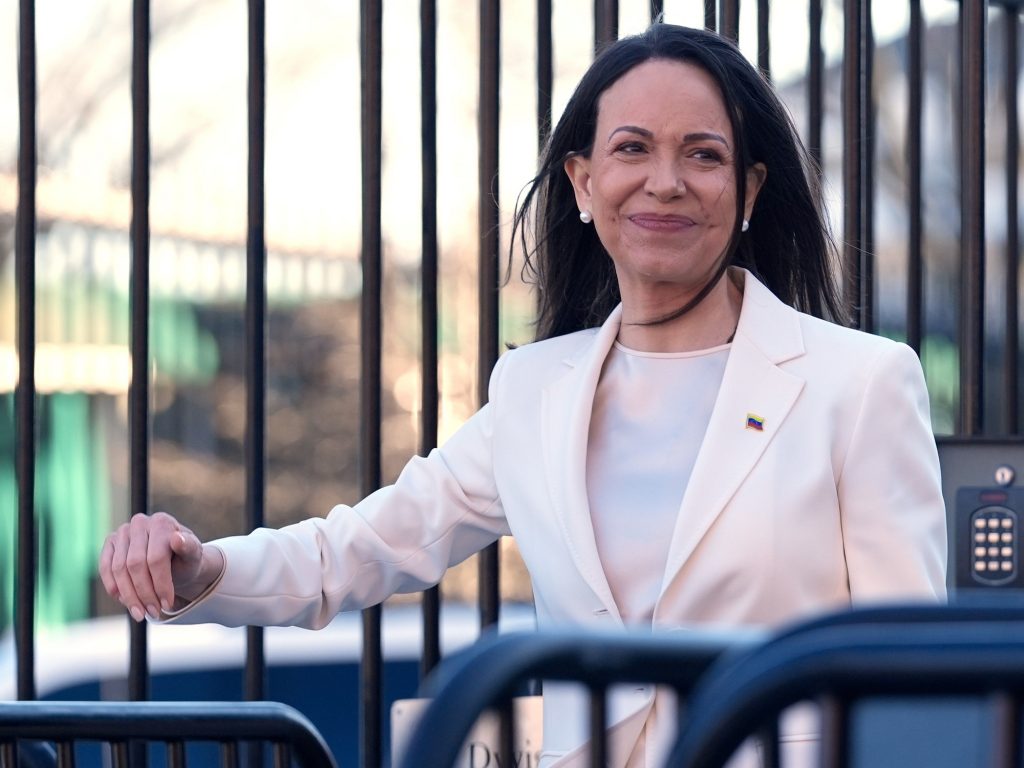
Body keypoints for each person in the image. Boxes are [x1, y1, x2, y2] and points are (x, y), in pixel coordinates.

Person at [100, 22, 946, 768]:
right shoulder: (537, 389)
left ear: (750, 190)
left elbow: (909, 674)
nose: (665, 181)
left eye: (704, 153)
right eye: (630, 148)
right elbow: (361, 548)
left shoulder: (860, 382)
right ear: (581, 183)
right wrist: (204, 571)